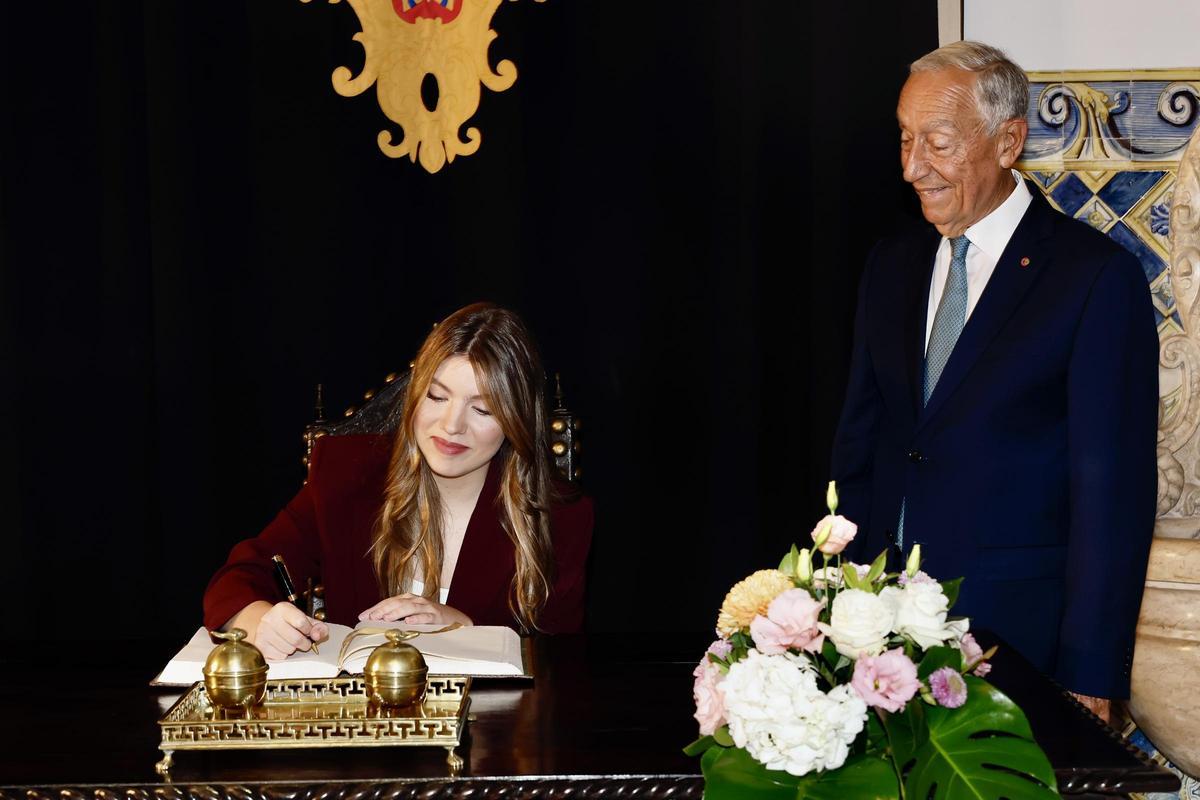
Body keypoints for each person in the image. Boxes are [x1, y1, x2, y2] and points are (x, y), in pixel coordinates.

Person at [832, 41, 1158, 721]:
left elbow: (1111, 493)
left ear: (1008, 141)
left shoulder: (1093, 277)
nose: (912, 167)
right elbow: (860, 447)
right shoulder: (891, 264)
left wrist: (1091, 672)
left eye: (938, 143)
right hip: (879, 644)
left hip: (1019, 640)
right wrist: (840, 601)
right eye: (905, 139)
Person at [204, 303, 594, 659]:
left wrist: (467, 630)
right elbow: (239, 576)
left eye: (482, 409)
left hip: (494, 715)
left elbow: (562, 663)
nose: (451, 426)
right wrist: (259, 622)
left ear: (516, 420)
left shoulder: (562, 516)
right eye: (436, 397)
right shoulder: (346, 472)